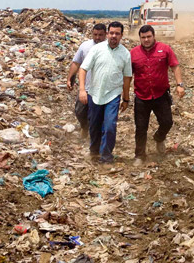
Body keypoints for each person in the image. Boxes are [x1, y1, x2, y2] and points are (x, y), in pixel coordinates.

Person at [78, 21, 132, 166]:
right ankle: (94, 152)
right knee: (94, 126)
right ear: (107, 34)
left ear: (121, 35)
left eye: (117, 33)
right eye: (112, 33)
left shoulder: (125, 54)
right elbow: (83, 69)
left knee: (109, 126)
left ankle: (106, 156)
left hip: (113, 95)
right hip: (95, 93)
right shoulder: (97, 50)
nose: (114, 36)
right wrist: (82, 90)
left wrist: (126, 98)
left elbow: (127, 77)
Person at [129, 24, 184, 166]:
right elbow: (128, 75)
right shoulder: (133, 53)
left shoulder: (165, 49)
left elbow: (175, 66)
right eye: (143, 37)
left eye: (149, 37)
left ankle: (159, 137)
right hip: (142, 96)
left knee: (167, 122)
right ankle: (140, 155)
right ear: (139, 38)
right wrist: (124, 94)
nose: (146, 40)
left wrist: (179, 85)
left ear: (154, 36)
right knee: (141, 128)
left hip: (160, 95)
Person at [66, 23, 107, 137]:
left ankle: (97, 140)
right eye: (95, 34)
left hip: (102, 89)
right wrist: (70, 78)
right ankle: (85, 126)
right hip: (86, 87)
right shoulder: (85, 46)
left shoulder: (110, 47)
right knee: (80, 111)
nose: (97, 37)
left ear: (106, 34)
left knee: (99, 115)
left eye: (100, 35)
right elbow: (76, 63)